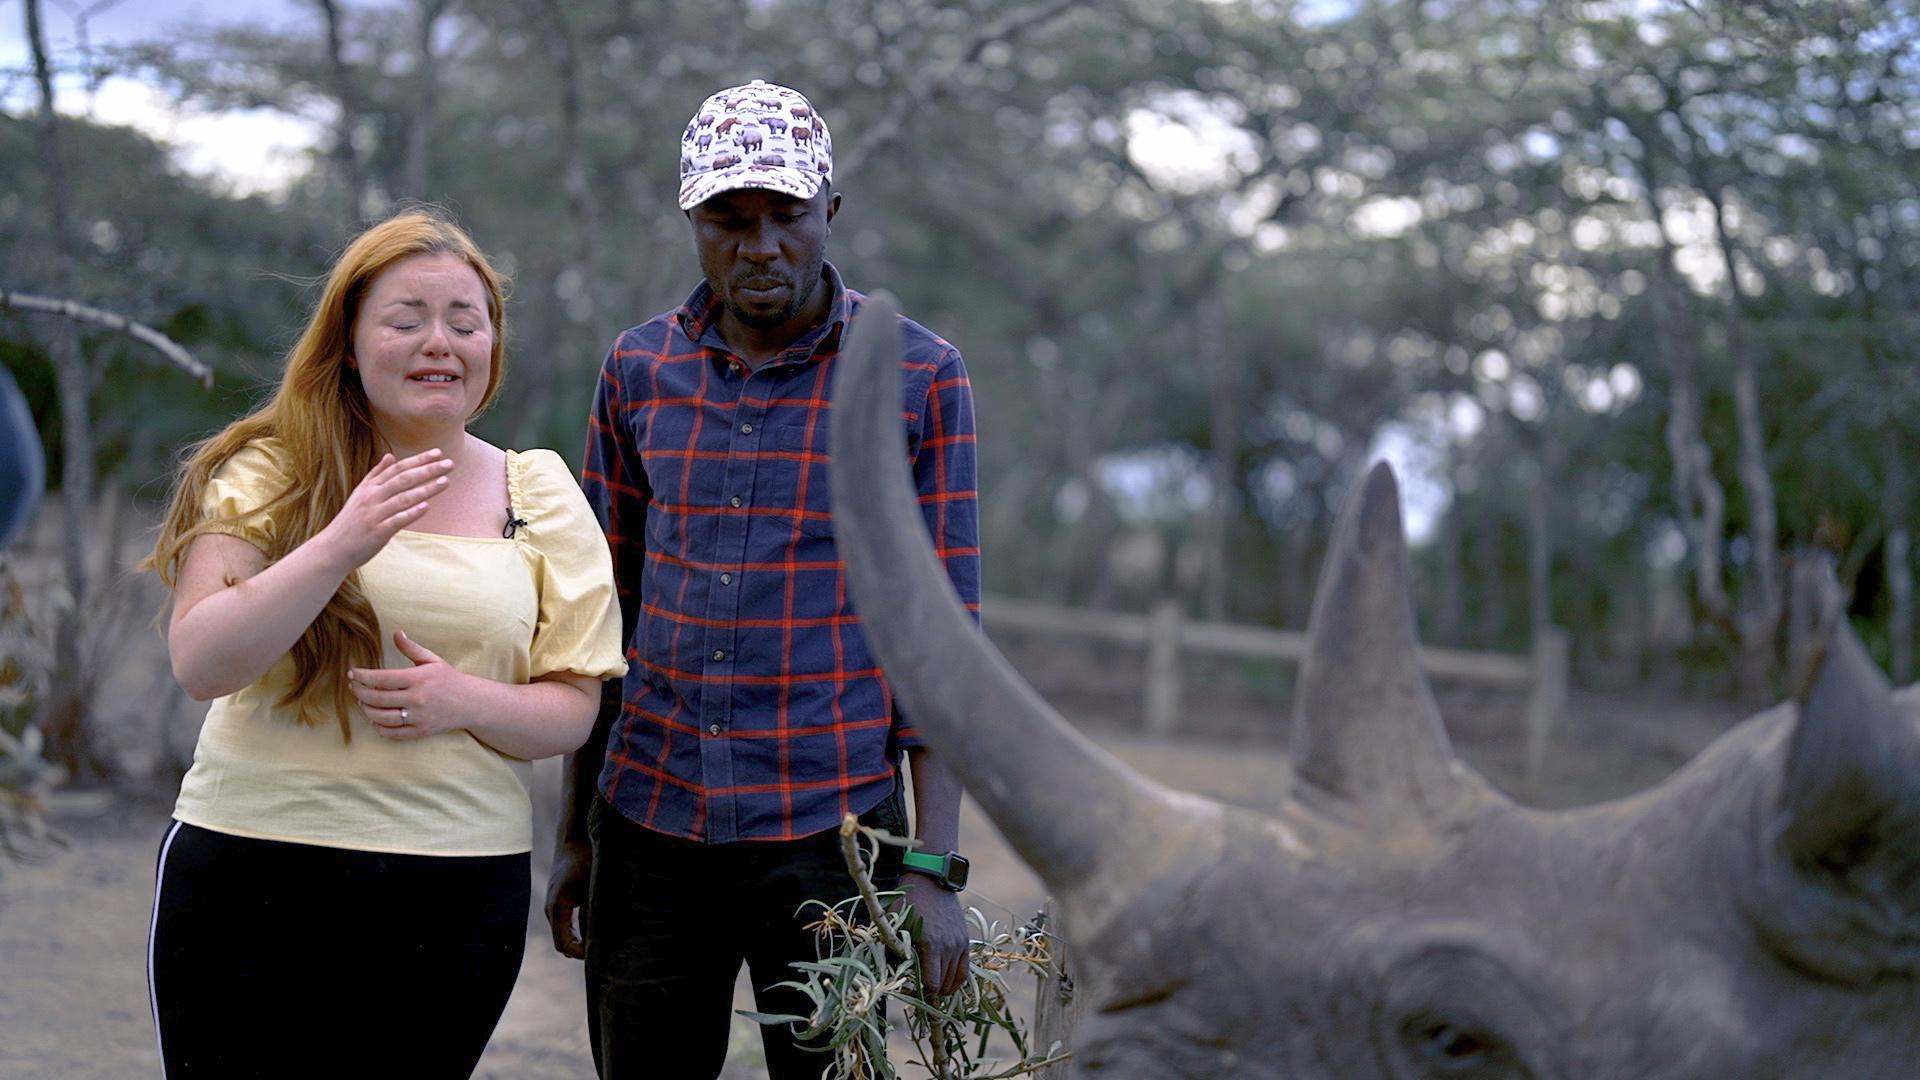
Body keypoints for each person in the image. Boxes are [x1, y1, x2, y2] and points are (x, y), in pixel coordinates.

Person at [546, 79, 981, 1079]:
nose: (761, 248)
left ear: (830, 212)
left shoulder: (917, 379)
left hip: (836, 844)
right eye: (728, 221)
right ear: (693, 224)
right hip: (649, 826)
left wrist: (931, 870)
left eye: (786, 217)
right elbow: (594, 618)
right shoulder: (638, 370)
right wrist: (576, 837)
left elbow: (943, 638)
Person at [142, 209, 627, 1079]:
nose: (438, 342)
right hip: (248, 868)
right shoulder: (269, 468)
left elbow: (573, 709)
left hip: (453, 885)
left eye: (464, 322)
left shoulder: (538, 490)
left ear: (491, 347)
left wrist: (463, 701)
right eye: (405, 320)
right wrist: (340, 541)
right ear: (352, 341)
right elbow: (201, 661)